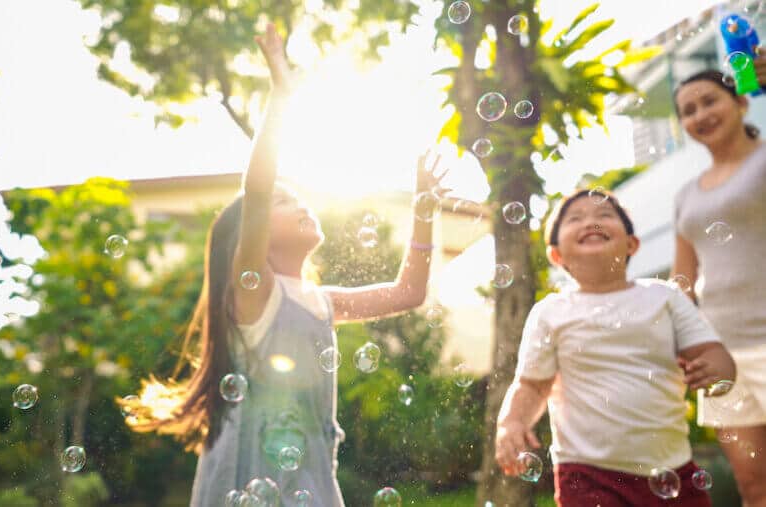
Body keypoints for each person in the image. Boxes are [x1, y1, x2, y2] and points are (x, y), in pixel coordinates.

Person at [120, 23, 451, 507]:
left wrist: (424, 213)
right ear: (250, 236)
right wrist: (281, 96)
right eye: (283, 201)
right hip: (249, 475)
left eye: (298, 197)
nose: (299, 205)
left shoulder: (321, 301)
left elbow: (409, 293)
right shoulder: (254, 294)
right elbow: (254, 190)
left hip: (311, 478)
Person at [495, 188, 736, 506]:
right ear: (556, 255)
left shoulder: (664, 297)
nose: (591, 221)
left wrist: (716, 369)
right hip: (586, 474)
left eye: (605, 215)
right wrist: (511, 422)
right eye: (576, 218)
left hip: (672, 468)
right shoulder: (551, 312)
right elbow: (532, 385)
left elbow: (715, 356)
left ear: (632, 243)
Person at [672, 69, 766, 507]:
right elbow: (683, 279)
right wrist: (680, 343)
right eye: (688, 110)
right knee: (753, 487)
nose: (700, 114)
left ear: (741, 103)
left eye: (710, 101)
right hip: (722, 357)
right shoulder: (686, 195)